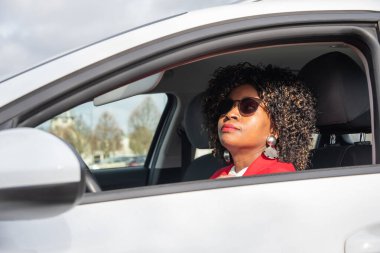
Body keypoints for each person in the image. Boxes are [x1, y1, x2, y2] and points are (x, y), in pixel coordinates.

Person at [202, 62, 317, 179]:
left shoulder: (280, 176)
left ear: (275, 129)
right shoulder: (219, 175)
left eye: (248, 106)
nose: (230, 114)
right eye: (226, 106)